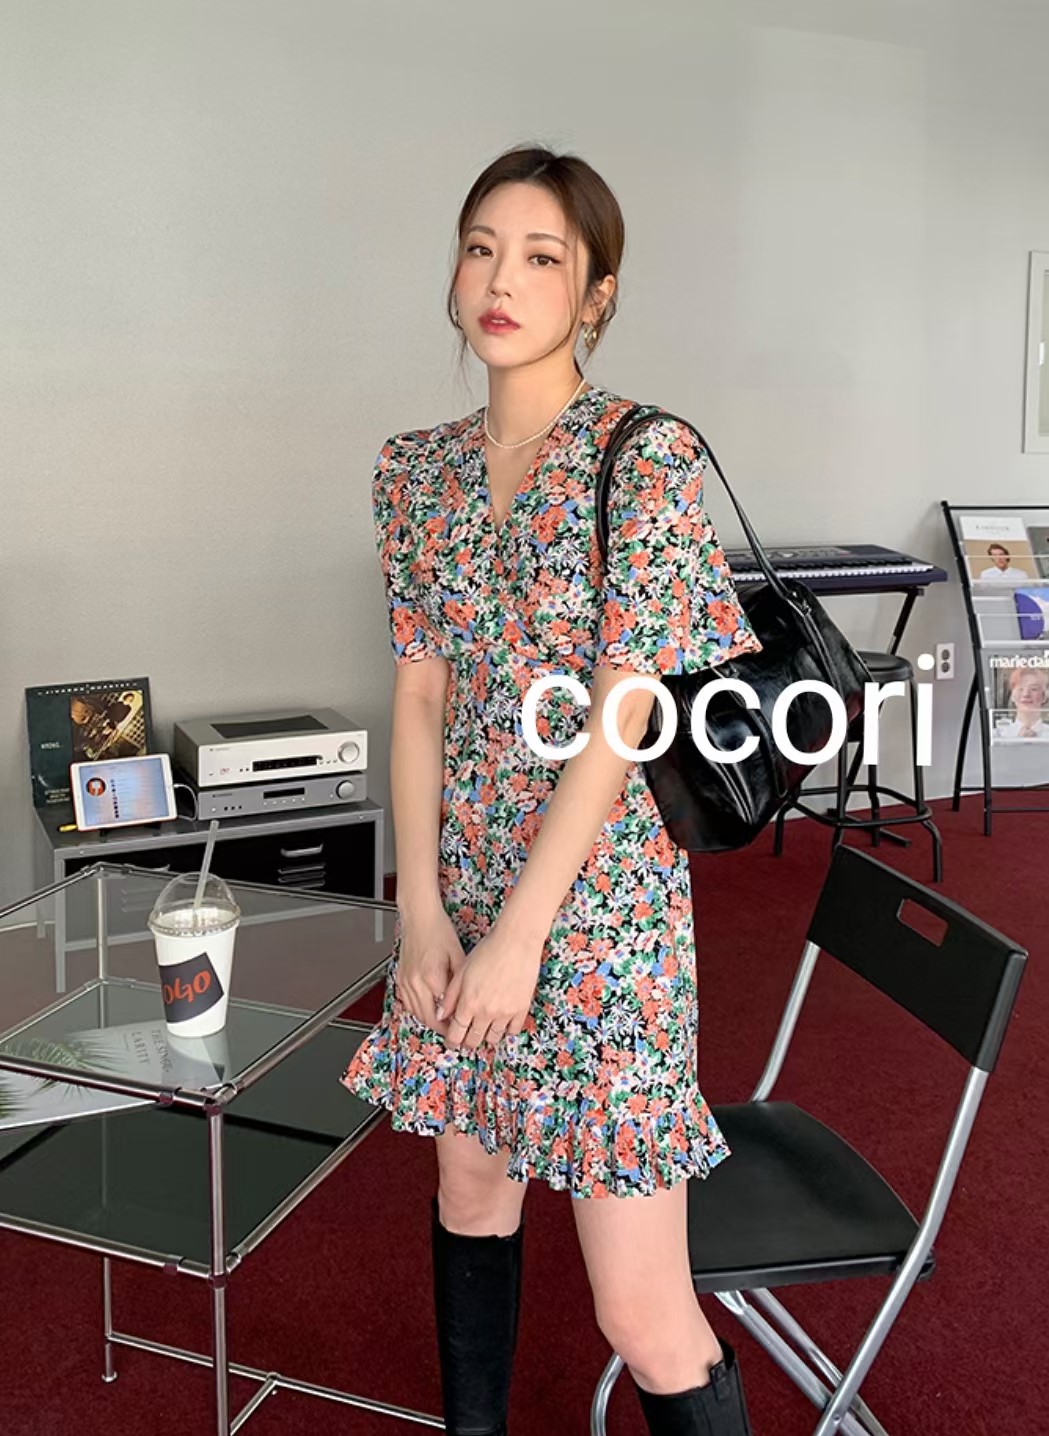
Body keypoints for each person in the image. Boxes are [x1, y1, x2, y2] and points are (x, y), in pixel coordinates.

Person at [341, 144, 763, 1436]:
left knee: (639, 1309)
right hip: (463, 887)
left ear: (596, 294)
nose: (500, 280)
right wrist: (422, 909)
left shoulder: (644, 456)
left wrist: (521, 936)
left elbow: (625, 715)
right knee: (470, 1194)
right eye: (480, 248)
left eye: (540, 257)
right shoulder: (413, 472)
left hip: (598, 917)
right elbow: (420, 696)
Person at [996, 666, 1049, 738]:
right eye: (1020, 689)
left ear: (1044, 696)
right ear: (1012, 696)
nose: (1026, 694)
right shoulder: (998, 735)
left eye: (1033, 689)